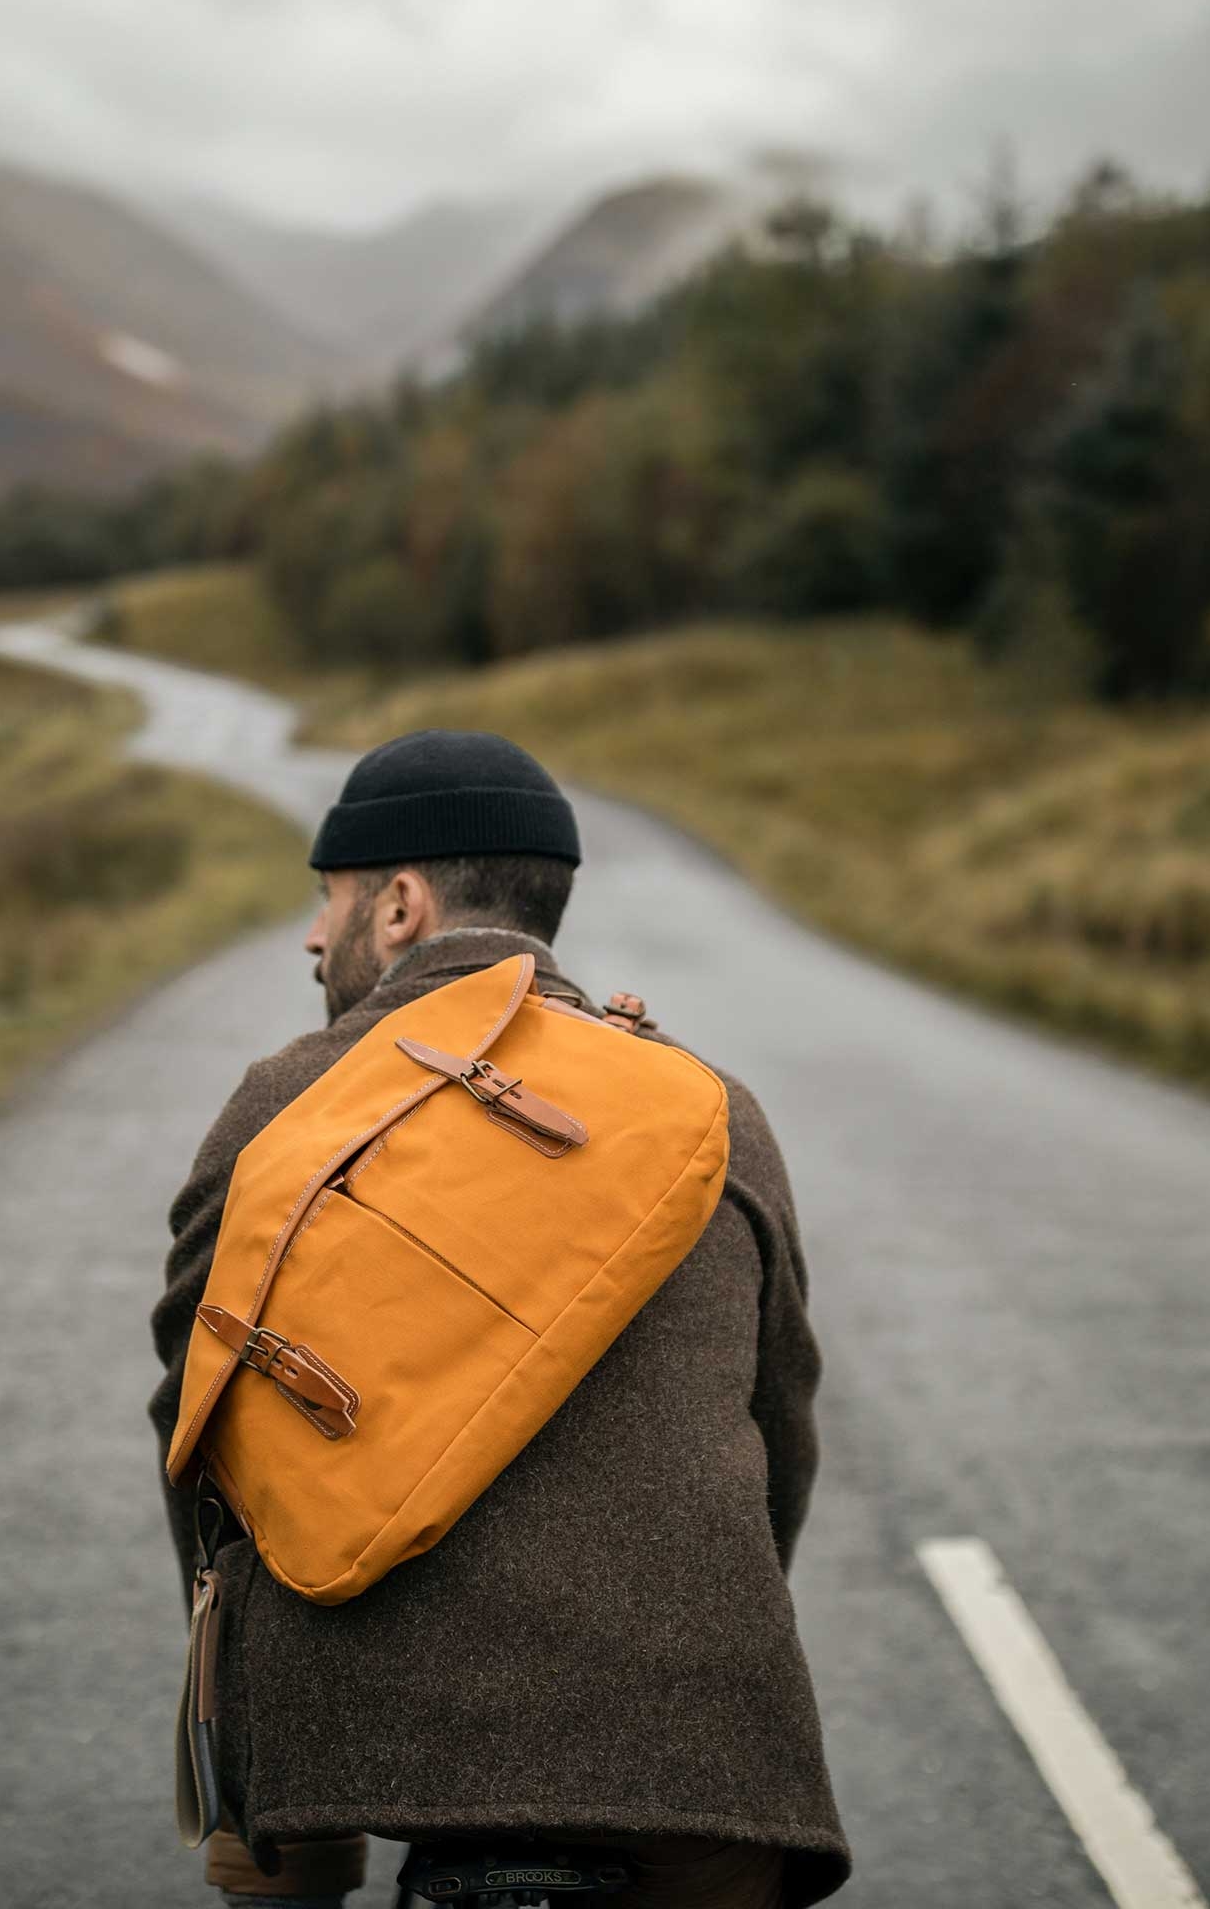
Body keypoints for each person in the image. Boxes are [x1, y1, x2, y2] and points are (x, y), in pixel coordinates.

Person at [148, 729, 851, 1908]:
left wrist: (261, 1792)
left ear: (402, 905)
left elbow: (207, 1443)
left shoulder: (288, 1106)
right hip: (701, 1761)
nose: (315, 938)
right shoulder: (710, 1113)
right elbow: (782, 1441)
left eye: (329, 902)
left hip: (370, 1743)